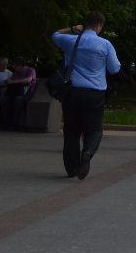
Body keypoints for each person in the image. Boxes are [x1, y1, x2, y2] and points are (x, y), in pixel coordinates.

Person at [52, 13, 122, 180]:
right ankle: (88, 153)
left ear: (84, 25)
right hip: (95, 93)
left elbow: (54, 35)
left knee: (71, 130)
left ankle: (71, 168)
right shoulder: (105, 44)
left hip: (72, 92)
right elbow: (115, 69)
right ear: (99, 26)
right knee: (95, 129)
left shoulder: (71, 40)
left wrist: (72, 29)